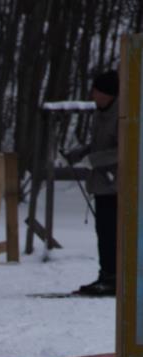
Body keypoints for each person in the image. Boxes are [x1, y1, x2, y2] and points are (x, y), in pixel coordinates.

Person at [66, 70, 119, 296]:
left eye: (96, 91)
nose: (93, 95)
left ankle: (114, 278)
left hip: (117, 186)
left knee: (112, 233)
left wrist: (94, 160)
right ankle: (106, 275)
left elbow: (124, 149)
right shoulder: (100, 113)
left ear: (108, 93)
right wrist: (78, 154)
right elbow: (98, 144)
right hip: (102, 185)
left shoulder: (123, 116)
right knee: (103, 232)